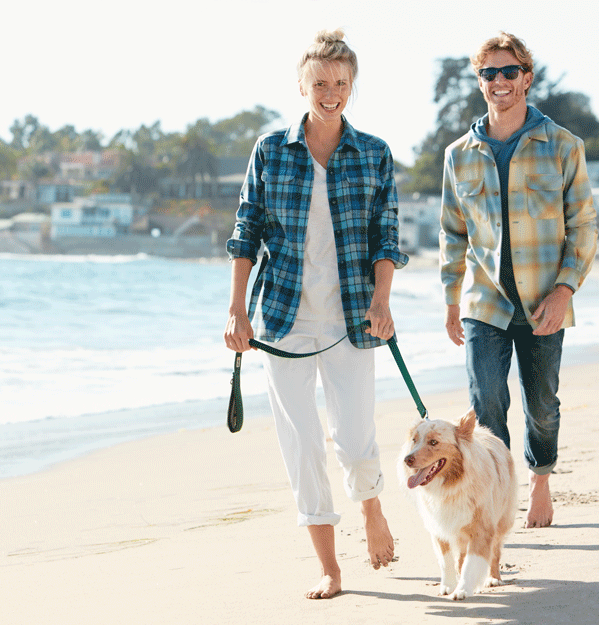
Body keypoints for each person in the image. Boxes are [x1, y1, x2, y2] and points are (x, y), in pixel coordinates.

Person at [224, 28, 408, 599]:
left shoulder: (373, 152)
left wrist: (383, 300)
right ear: (302, 85)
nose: (331, 93)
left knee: (354, 437)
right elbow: (246, 232)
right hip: (281, 320)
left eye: (341, 83)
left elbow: (387, 234)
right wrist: (236, 310)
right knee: (301, 445)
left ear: (352, 86)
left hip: (353, 319)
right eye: (321, 83)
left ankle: (373, 511)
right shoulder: (270, 150)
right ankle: (330, 567)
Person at [439, 32, 597, 529]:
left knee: (542, 404)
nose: (500, 81)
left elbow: (585, 226)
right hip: (483, 300)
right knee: (487, 405)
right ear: (479, 81)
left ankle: (541, 480)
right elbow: (452, 232)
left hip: (544, 299)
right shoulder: (458, 154)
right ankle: (496, 500)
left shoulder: (564, 146)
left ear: (527, 78)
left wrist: (564, 288)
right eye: (489, 73)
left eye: (509, 72)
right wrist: (449, 301)